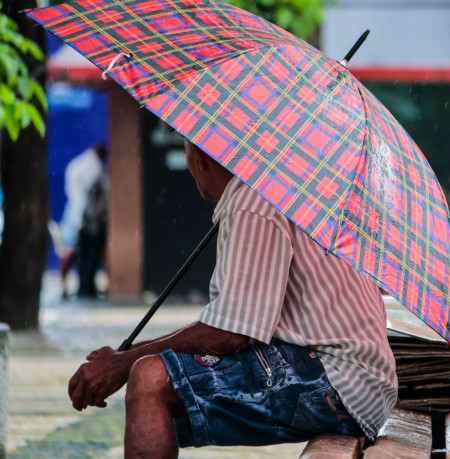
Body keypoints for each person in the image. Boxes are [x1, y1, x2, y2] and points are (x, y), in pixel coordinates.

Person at [67, 140, 398, 457]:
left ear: (200, 157)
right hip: (360, 383)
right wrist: (127, 357)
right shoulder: (283, 184)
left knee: (151, 378)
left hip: (341, 382)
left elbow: (230, 334)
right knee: (157, 373)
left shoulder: (253, 198)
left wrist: (125, 363)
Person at [59, 142, 108, 298]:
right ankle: (84, 288)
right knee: (84, 254)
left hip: (79, 216)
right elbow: (95, 196)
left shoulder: (79, 165)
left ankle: (80, 287)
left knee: (79, 253)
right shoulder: (94, 168)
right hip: (88, 221)